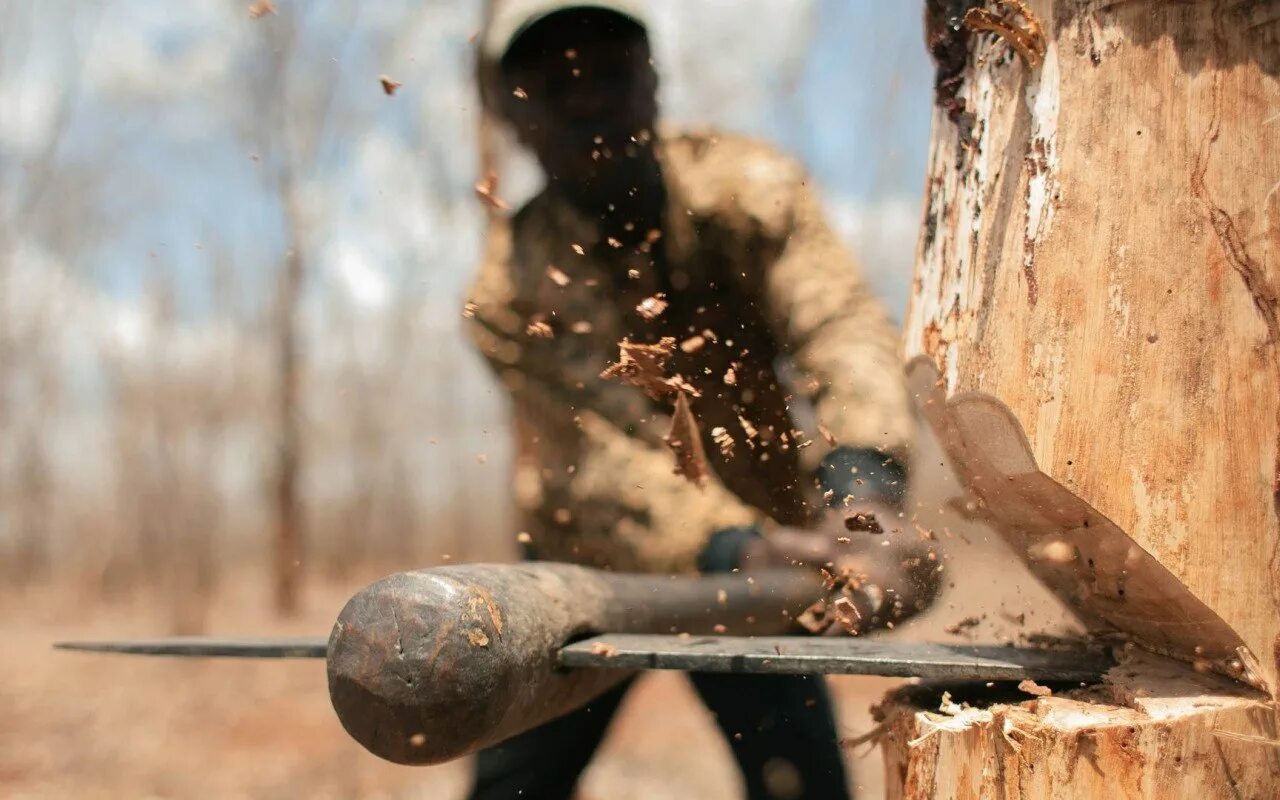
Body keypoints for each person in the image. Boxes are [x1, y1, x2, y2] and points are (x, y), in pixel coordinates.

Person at [465, 3, 939, 797]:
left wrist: (864, 497)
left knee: (802, 784)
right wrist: (742, 551)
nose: (587, 100)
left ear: (652, 82)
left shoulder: (749, 191)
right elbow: (603, 459)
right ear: (515, 117)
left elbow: (839, 327)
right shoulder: (508, 291)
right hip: (585, 571)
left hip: (771, 561)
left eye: (610, 72)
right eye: (553, 85)